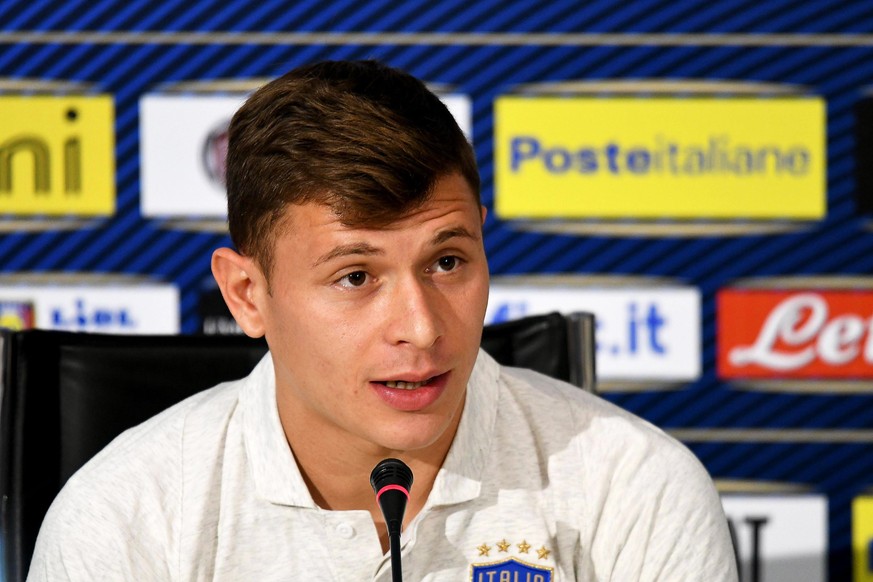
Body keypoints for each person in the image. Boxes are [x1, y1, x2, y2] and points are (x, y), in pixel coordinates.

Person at [28, 60, 737, 581]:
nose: (422, 329)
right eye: (356, 277)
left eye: (448, 262)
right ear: (247, 295)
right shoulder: (123, 517)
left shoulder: (635, 487)